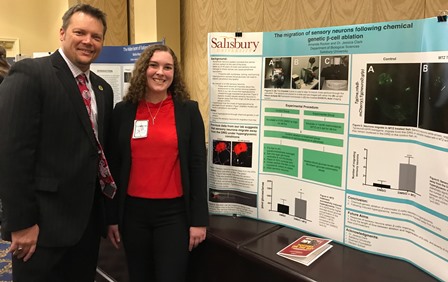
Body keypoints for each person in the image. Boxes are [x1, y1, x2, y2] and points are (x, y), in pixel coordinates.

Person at [0, 4, 115, 281]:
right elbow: (11, 154)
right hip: (42, 227)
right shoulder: (31, 74)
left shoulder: (102, 89)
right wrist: (22, 223)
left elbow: (100, 154)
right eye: (80, 32)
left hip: (86, 226)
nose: (88, 41)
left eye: (96, 36)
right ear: (62, 33)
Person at [107, 44, 209, 282]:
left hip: (173, 215)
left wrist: (199, 221)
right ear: (143, 69)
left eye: (167, 67)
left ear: (175, 74)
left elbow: (197, 167)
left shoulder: (188, 111)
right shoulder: (123, 112)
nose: (160, 72)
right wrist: (111, 218)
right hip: (133, 215)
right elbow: (113, 166)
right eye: (154, 65)